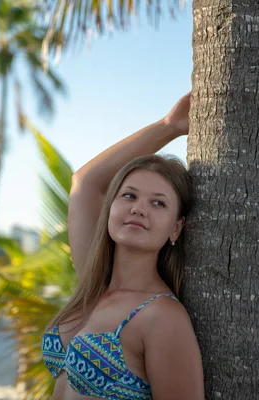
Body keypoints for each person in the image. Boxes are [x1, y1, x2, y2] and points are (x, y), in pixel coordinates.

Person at [41, 93, 205, 400]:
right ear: (110, 207)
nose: (139, 209)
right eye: (129, 196)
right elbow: (85, 182)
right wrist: (168, 126)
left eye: (158, 203)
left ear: (175, 227)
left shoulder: (161, 316)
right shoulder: (94, 282)